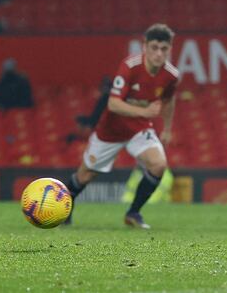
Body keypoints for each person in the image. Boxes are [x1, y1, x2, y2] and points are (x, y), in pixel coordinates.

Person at [63, 24, 179, 229]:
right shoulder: (131, 66)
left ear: (170, 49)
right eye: (154, 47)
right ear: (144, 46)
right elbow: (113, 104)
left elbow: (169, 100)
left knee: (158, 165)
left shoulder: (171, 75)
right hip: (111, 130)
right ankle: (64, 209)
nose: (159, 53)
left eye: (164, 49)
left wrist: (167, 129)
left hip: (139, 128)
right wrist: (145, 112)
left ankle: (133, 213)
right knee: (86, 175)